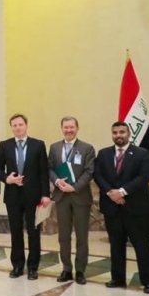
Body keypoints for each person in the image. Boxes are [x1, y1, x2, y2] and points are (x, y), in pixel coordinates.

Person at [95, 121, 149, 294]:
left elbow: (144, 177)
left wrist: (122, 192)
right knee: (116, 244)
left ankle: (148, 281)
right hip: (112, 207)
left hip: (137, 208)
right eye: (115, 132)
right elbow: (98, 175)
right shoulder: (104, 153)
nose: (118, 135)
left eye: (122, 132)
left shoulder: (142, 153)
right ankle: (118, 278)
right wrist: (111, 193)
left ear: (128, 134)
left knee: (141, 245)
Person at [0, 114, 50, 280]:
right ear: (11, 127)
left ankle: (33, 267)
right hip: (13, 195)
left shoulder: (38, 145)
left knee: (33, 232)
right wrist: (7, 179)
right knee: (15, 231)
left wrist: (45, 194)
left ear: (26, 126)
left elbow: (43, 171)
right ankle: (17, 266)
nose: (17, 128)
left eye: (20, 124)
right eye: (14, 125)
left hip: (33, 196)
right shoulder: (5, 145)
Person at [47, 116, 96, 284]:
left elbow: (89, 172)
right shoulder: (54, 147)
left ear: (77, 128)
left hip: (80, 197)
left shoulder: (87, 148)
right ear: (62, 128)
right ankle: (66, 269)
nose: (68, 130)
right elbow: (49, 168)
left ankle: (80, 270)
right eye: (66, 127)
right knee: (63, 236)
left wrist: (74, 187)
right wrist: (57, 181)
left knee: (82, 236)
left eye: (71, 127)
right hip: (61, 197)